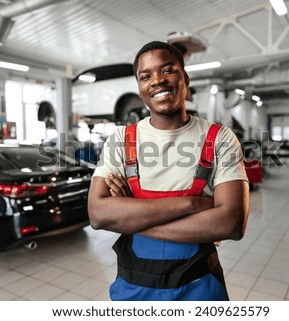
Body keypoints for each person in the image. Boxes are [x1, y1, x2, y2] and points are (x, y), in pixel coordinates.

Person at [87, 41, 249, 301]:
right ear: (139, 88)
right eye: (145, 76)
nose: (157, 81)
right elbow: (97, 214)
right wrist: (195, 204)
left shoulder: (219, 138)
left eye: (168, 70)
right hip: (133, 292)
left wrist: (131, 215)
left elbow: (231, 223)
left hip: (199, 290)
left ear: (185, 77)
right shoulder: (121, 139)